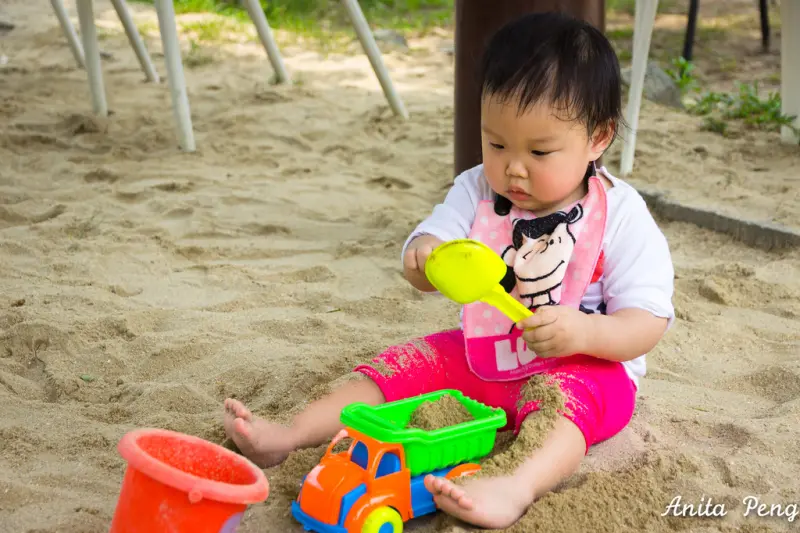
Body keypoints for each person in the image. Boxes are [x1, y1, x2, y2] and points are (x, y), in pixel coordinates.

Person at [223, 12, 674, 530]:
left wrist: (589, 331)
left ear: (599, 138)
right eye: (497, 143)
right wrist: (424, 255)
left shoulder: (618, 213)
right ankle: (291, 433)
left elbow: (649, 320)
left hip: (584, 367)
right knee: (402, 364)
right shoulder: (479, 189)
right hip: (486, 353)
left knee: (567, 406)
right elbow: (429, 252)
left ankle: (515, 486)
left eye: (539, 150)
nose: (513, 167)